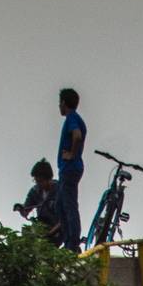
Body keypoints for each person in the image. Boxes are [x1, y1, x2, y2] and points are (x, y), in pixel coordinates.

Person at [56, 87, 87, 251]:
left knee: (69, 206)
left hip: (70, 168)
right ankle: (68, 238)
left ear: (64, 103)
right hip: (68, 169)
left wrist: (71, 154)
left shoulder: (72, 118)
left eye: (59, 103)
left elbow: (77, 135)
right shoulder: (74, 118)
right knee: (60, 205)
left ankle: (72, 242)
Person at [13, 159, 61, 243]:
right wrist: (20, 209)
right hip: (42, 227)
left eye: (40, 181)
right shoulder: (34, 191)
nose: (38, 184)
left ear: (49, 178)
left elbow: (64, 218)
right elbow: (26, 210)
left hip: (58, 230)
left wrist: (50, 233)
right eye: (36, 181)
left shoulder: (60, 190)